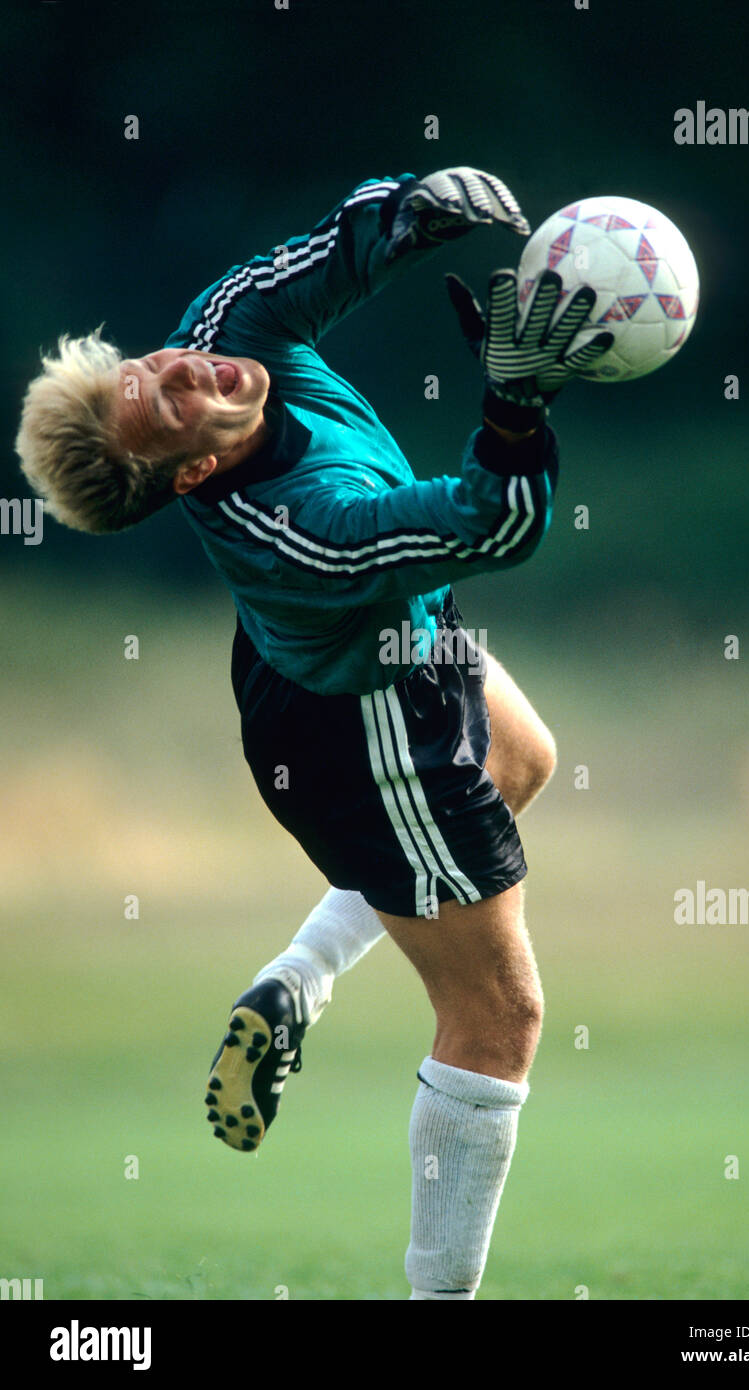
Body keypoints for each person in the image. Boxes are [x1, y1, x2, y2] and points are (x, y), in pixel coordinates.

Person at [15, 167, 612, 1299]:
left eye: (149, 366)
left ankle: (298, 976)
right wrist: (515, 409)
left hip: (353, 654)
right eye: (168, 403)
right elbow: (494, 524)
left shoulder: (216, 330)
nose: (183, 369)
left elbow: (324, 256)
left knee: (525, 757)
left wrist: (416, 210)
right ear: (190, 470)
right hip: (367, 727)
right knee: (497, 1013)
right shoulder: (304, 533)